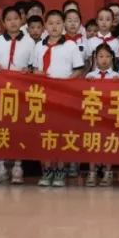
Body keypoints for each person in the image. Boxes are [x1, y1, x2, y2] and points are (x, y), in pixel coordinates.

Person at [32, 11, 86, 187]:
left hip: (64, 95)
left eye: (58, 23)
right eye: (50, 23)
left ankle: (60, 170)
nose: (54, 27)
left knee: (61, 133)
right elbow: (34, 69)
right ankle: (47, 170)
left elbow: (78, 69)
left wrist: (67, 83)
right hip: (43, 95)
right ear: (45, 26)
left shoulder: (71, 46)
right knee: (45, 133)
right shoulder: (39, 46)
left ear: (63, 25)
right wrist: (37, 73)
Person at [0, 7, 33, 185]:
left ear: (21, 20)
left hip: (21, 91)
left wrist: (28, 70)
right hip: (0, 91)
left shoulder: (30, 42)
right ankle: (1, 166)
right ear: (3, 23)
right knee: (1, 127)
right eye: (9, 19)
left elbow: (33, 66)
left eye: (16, 18)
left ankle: (17, 166)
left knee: (18, 128)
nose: (13, 22)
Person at [84, 44, 119, 187]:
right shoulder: (90, 76)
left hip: (109, 116)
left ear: (112, 58)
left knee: (108, 142)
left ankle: (108, 171)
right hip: (93, 115)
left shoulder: (116, 76)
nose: (104, 59)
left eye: (107, 56)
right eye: (101, 56)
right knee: (93, 142)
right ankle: (92, 171)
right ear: (95, 58)